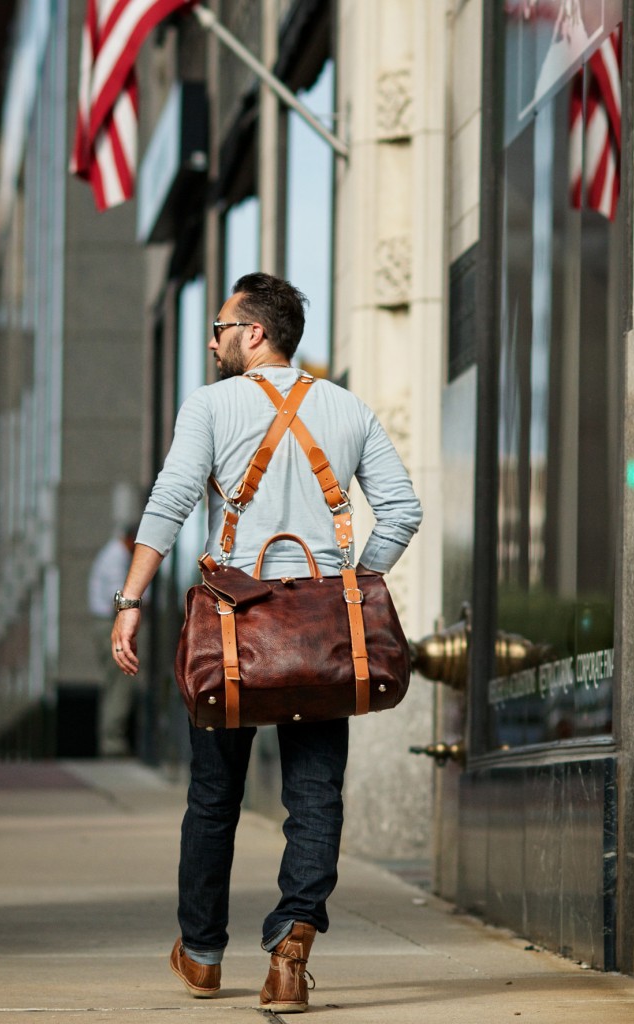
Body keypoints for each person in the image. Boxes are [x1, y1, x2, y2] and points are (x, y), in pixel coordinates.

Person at [111, 272, 422, 1012]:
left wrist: (130, 600)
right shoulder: (348, 408)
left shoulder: (213, 406)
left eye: (220, 328)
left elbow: (172, 501)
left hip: (234, 630)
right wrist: (352, 587)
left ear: (253, 333)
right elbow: (403, 510)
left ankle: (204, 953)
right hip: (323, 637)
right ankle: (290, 952)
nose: (214, 341)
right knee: (315, 794)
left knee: (214, 796)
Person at [88, 525, 136, 756]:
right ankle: (112, 742)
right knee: (119, 681)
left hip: (106, 622)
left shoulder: (113, 554)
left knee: (115, 681)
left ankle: (111, 739)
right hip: (109, 622)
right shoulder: (116, 557)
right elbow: (117, 596)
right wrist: (136, 606)